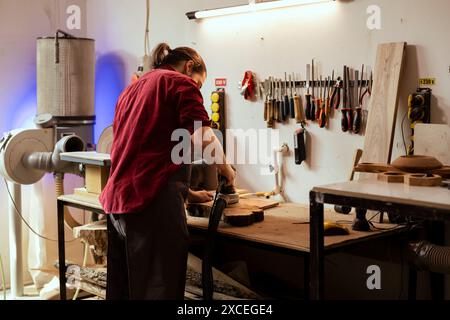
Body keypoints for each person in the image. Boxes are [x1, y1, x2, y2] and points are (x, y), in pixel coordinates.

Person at [99, 43, 235, 300]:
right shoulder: (180, 83)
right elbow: (202, 137)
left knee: (125, 291)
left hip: (118, 205)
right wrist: (227, 170)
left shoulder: (133, 89)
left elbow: (147, 149)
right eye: (199, 82)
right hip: (149, 207)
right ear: (190, 66)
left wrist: (188, 193)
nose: (197, 89)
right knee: (159, 290)